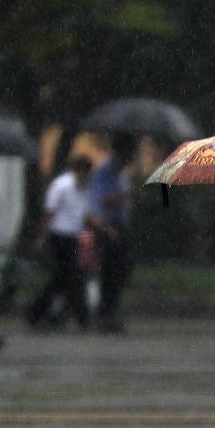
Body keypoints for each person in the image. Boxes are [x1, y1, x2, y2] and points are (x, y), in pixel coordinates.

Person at [26, 156, 92, 329]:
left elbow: (83, 213)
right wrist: (42, 237)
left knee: (61, 279)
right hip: (59, 236)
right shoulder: (62, 186)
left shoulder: (83, 188)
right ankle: (82, 318)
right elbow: (49, 212)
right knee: (73, 277)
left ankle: (36, 312)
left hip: (72, 237)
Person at [89, 135, 136, 333]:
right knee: (110, 272)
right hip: (108, 227)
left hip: (120, 227)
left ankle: (110, 311)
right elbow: (103, 200)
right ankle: (105, 314)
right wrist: (125, 195)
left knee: (121, 270)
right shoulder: (105, 172)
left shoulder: (121, 174)